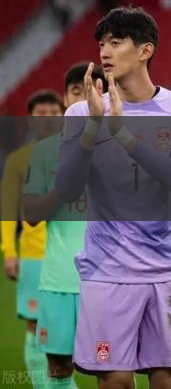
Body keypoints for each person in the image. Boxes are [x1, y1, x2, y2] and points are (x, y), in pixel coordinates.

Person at [55, 6, 171, 389]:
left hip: (168, 271)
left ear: (145, 50)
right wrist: (94, 127)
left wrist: (123, 135)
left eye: (116, 42)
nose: (104, 52)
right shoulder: (81, 112)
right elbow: (67, 190)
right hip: (108, 272)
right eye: (102, 44)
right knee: (115, 381)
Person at [23, 63, 107, 389]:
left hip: (108, 281)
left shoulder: (120, 149)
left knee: (110, 368)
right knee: (58, 367)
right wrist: (65, 184)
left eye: (94, 93)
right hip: (59, 278)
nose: (85, 99)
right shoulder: (45, 151)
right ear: (65, 100)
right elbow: (31, 215)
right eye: (77, 92)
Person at [1, 90, 64, 389]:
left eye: (54, 113)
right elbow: (8, 209)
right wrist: (9, 252)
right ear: (30, 118)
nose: (48, 120)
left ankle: (61, 381)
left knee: (69, 328)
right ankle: (42, 386)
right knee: (35, 324)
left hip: (69, 257)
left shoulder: (75, 155)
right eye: (42, 114)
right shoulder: (18, 160)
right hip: (34, 257)